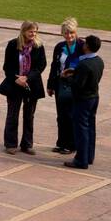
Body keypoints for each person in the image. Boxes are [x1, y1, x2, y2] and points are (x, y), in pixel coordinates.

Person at [0, 20, 46, 156]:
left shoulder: (38, 46)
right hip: (15, 84)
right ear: (23, 31)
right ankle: (10, 144)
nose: (33, 34)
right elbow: (7, 66)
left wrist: (27, 78)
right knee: (13, 114)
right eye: (31, 31)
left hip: (31, 84)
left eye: (35, 31)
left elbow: (41, 65)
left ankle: (27, 144)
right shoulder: (13, 44)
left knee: (29, 115)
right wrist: (16, 78)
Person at [64, 35, 103, 169]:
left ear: (87, 47)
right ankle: (89, 156)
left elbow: (77, 85)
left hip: (83, 100)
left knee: (81, 130)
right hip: (94, 97)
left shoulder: (84, 64)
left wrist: (67, 78)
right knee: (90, 127)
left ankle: (81, 159)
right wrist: (76, 73)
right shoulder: (99, 61)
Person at [47, 17, 82, 155]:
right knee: (61, 115)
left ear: (76, 31)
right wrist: (50, 84)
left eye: (71, 32)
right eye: (66, 33)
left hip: (75, 85)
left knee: (71, 115)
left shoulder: (82, 46)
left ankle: (72, 144)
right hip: (60, 84)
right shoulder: (59, 47)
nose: (69, 36)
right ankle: (61, 143)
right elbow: (54, 65)